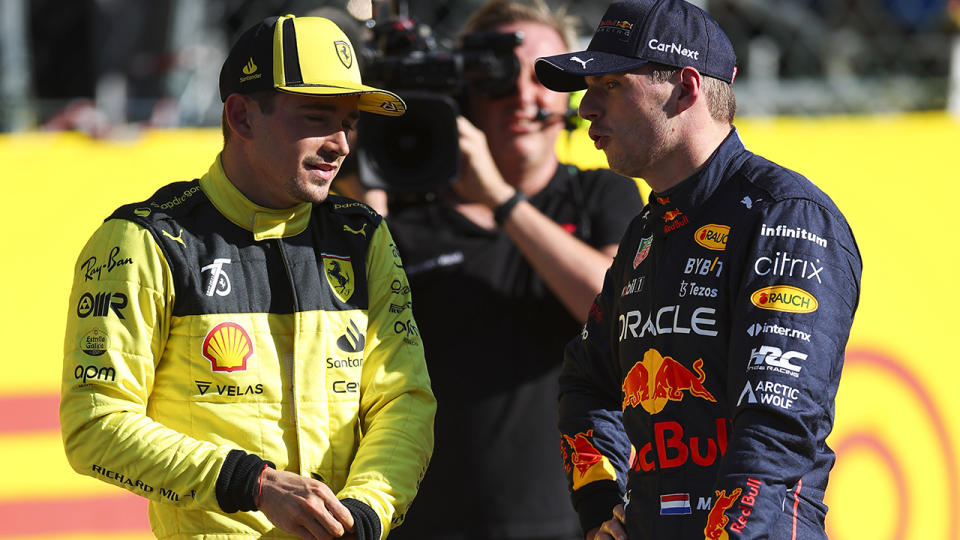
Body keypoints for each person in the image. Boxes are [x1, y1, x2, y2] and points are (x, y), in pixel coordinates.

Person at [59, 15, 436, 540]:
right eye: (316, 116)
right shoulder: (145, 240)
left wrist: (366, 511)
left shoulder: (364, 235)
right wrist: (253, 484)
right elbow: (95, 426)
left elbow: (402, 400)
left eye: (349, 122)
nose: (341, 144)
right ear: (241, 116)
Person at [533, 1, 863, 539]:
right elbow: (585, 380)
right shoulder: (647, 230)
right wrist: (599, 506)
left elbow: (778, 420)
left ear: (686, 88)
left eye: (611, 84)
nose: (586, 107)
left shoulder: (785, 215)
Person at [385, 1, 644, 539]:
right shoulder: (402, 212)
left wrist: (502, 201)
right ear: (464, 93)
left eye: (545, 79)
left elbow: (617, 308)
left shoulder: (601, 195)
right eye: (499, 78)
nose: (524, 98)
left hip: (577, 525)